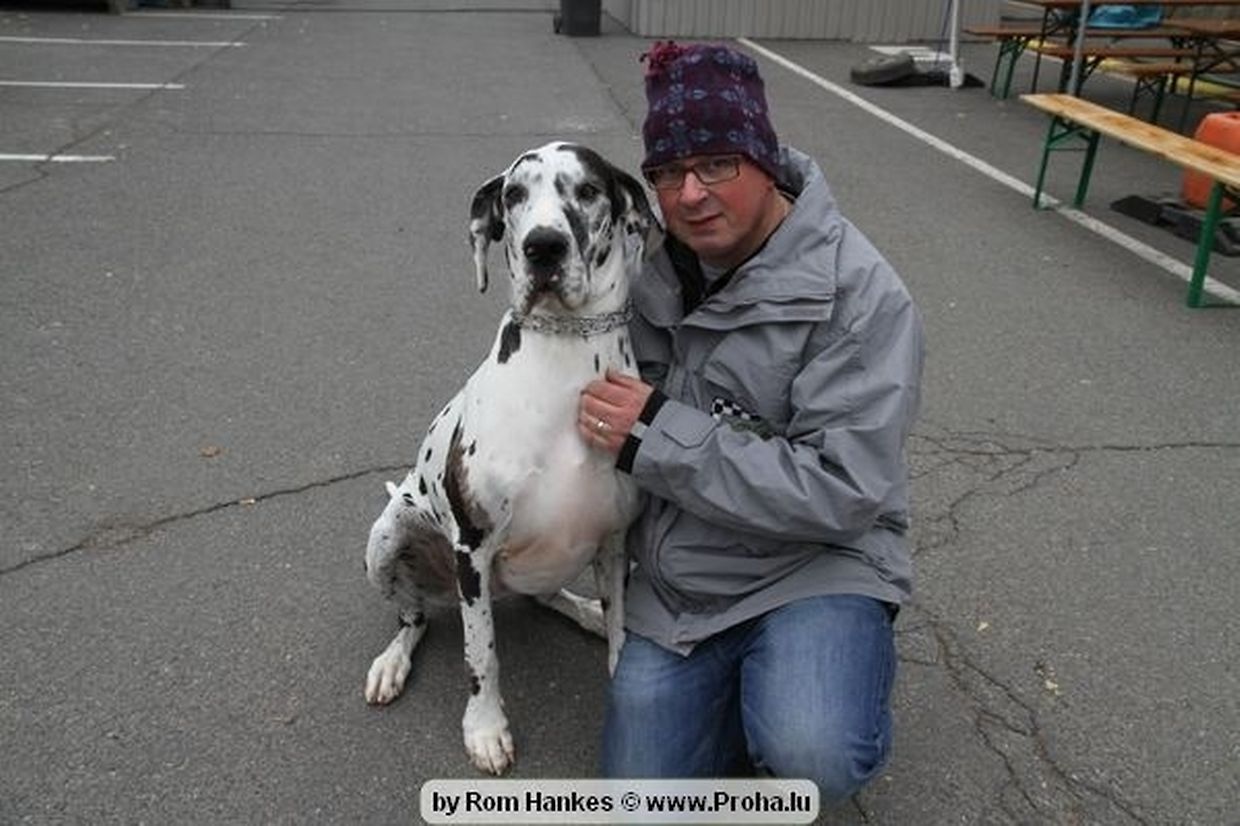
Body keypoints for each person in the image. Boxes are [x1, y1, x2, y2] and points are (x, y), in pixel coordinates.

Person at [576, 41, 925, 803]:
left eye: (716, 165)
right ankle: (748, 695)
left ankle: (819, 677)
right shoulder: (638, 270)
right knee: (639, 804)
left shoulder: (859, 296)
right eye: (667, 172)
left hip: (813, 567)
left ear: (765, 160)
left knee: (814, 751)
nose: (690, 194)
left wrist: (656, 433)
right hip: (678, 587)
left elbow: (843, 491)